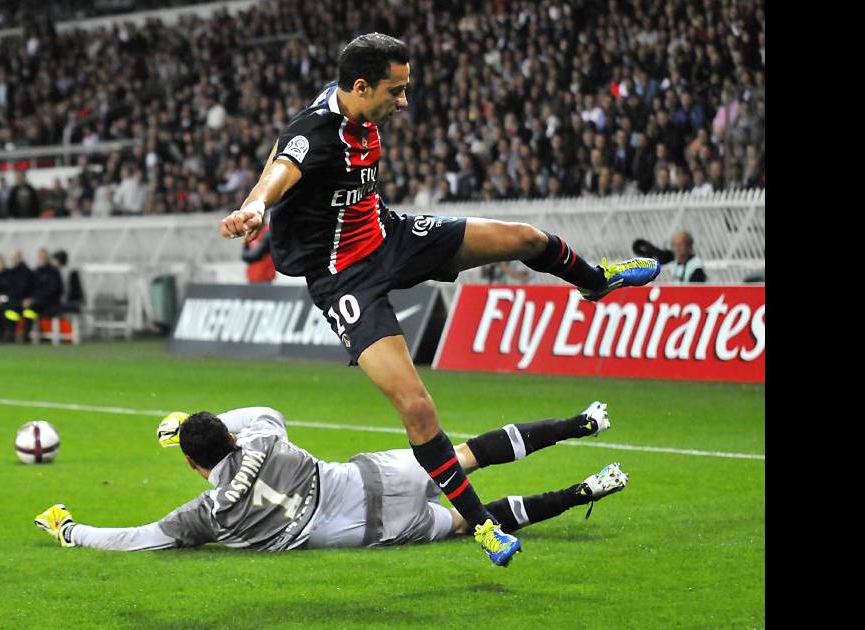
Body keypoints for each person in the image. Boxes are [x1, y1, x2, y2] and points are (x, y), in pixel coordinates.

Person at [217, 33, 658, 564]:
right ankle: (482, 527)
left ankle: (594, 280)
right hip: (344, 280)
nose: (403, 101)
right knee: (417, 408)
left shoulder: (347, 106)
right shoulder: (315, 133)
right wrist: (255, 207)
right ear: (360, 87)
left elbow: (280, 160)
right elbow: (281, 168)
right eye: (395, 91)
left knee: (524, 238)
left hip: (389, 235)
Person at [34, 404, 627, 554]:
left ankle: (586, 490)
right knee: (467, 456)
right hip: (368, 476)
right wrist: (196, 420)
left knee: (474, 520)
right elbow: (258, 412)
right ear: (231, 436)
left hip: (361, 529)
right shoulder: (263, 434)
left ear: (193, 464)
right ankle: (582, 422)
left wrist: (71, 530)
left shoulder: (206, 514)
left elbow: (137, 537)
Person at [632, 230, 707, 283]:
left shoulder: (696, 266)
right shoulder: (674, 262)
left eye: (680, 245)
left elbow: (696, 289)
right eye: (675, 245)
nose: (677, 248)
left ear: (689, 246)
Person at [23, 248, 64, 343]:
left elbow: (54, 290)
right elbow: (31, 288)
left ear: (47, 257)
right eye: (40, 256)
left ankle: (29, 335)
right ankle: (26, 334)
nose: (42, 258)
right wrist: (29, 299)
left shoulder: (53, 272)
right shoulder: (36, 272)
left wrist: (35, 299)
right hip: (36, 302)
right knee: (26, 309)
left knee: (31, 307)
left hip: (50, 303)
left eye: (43, 256)